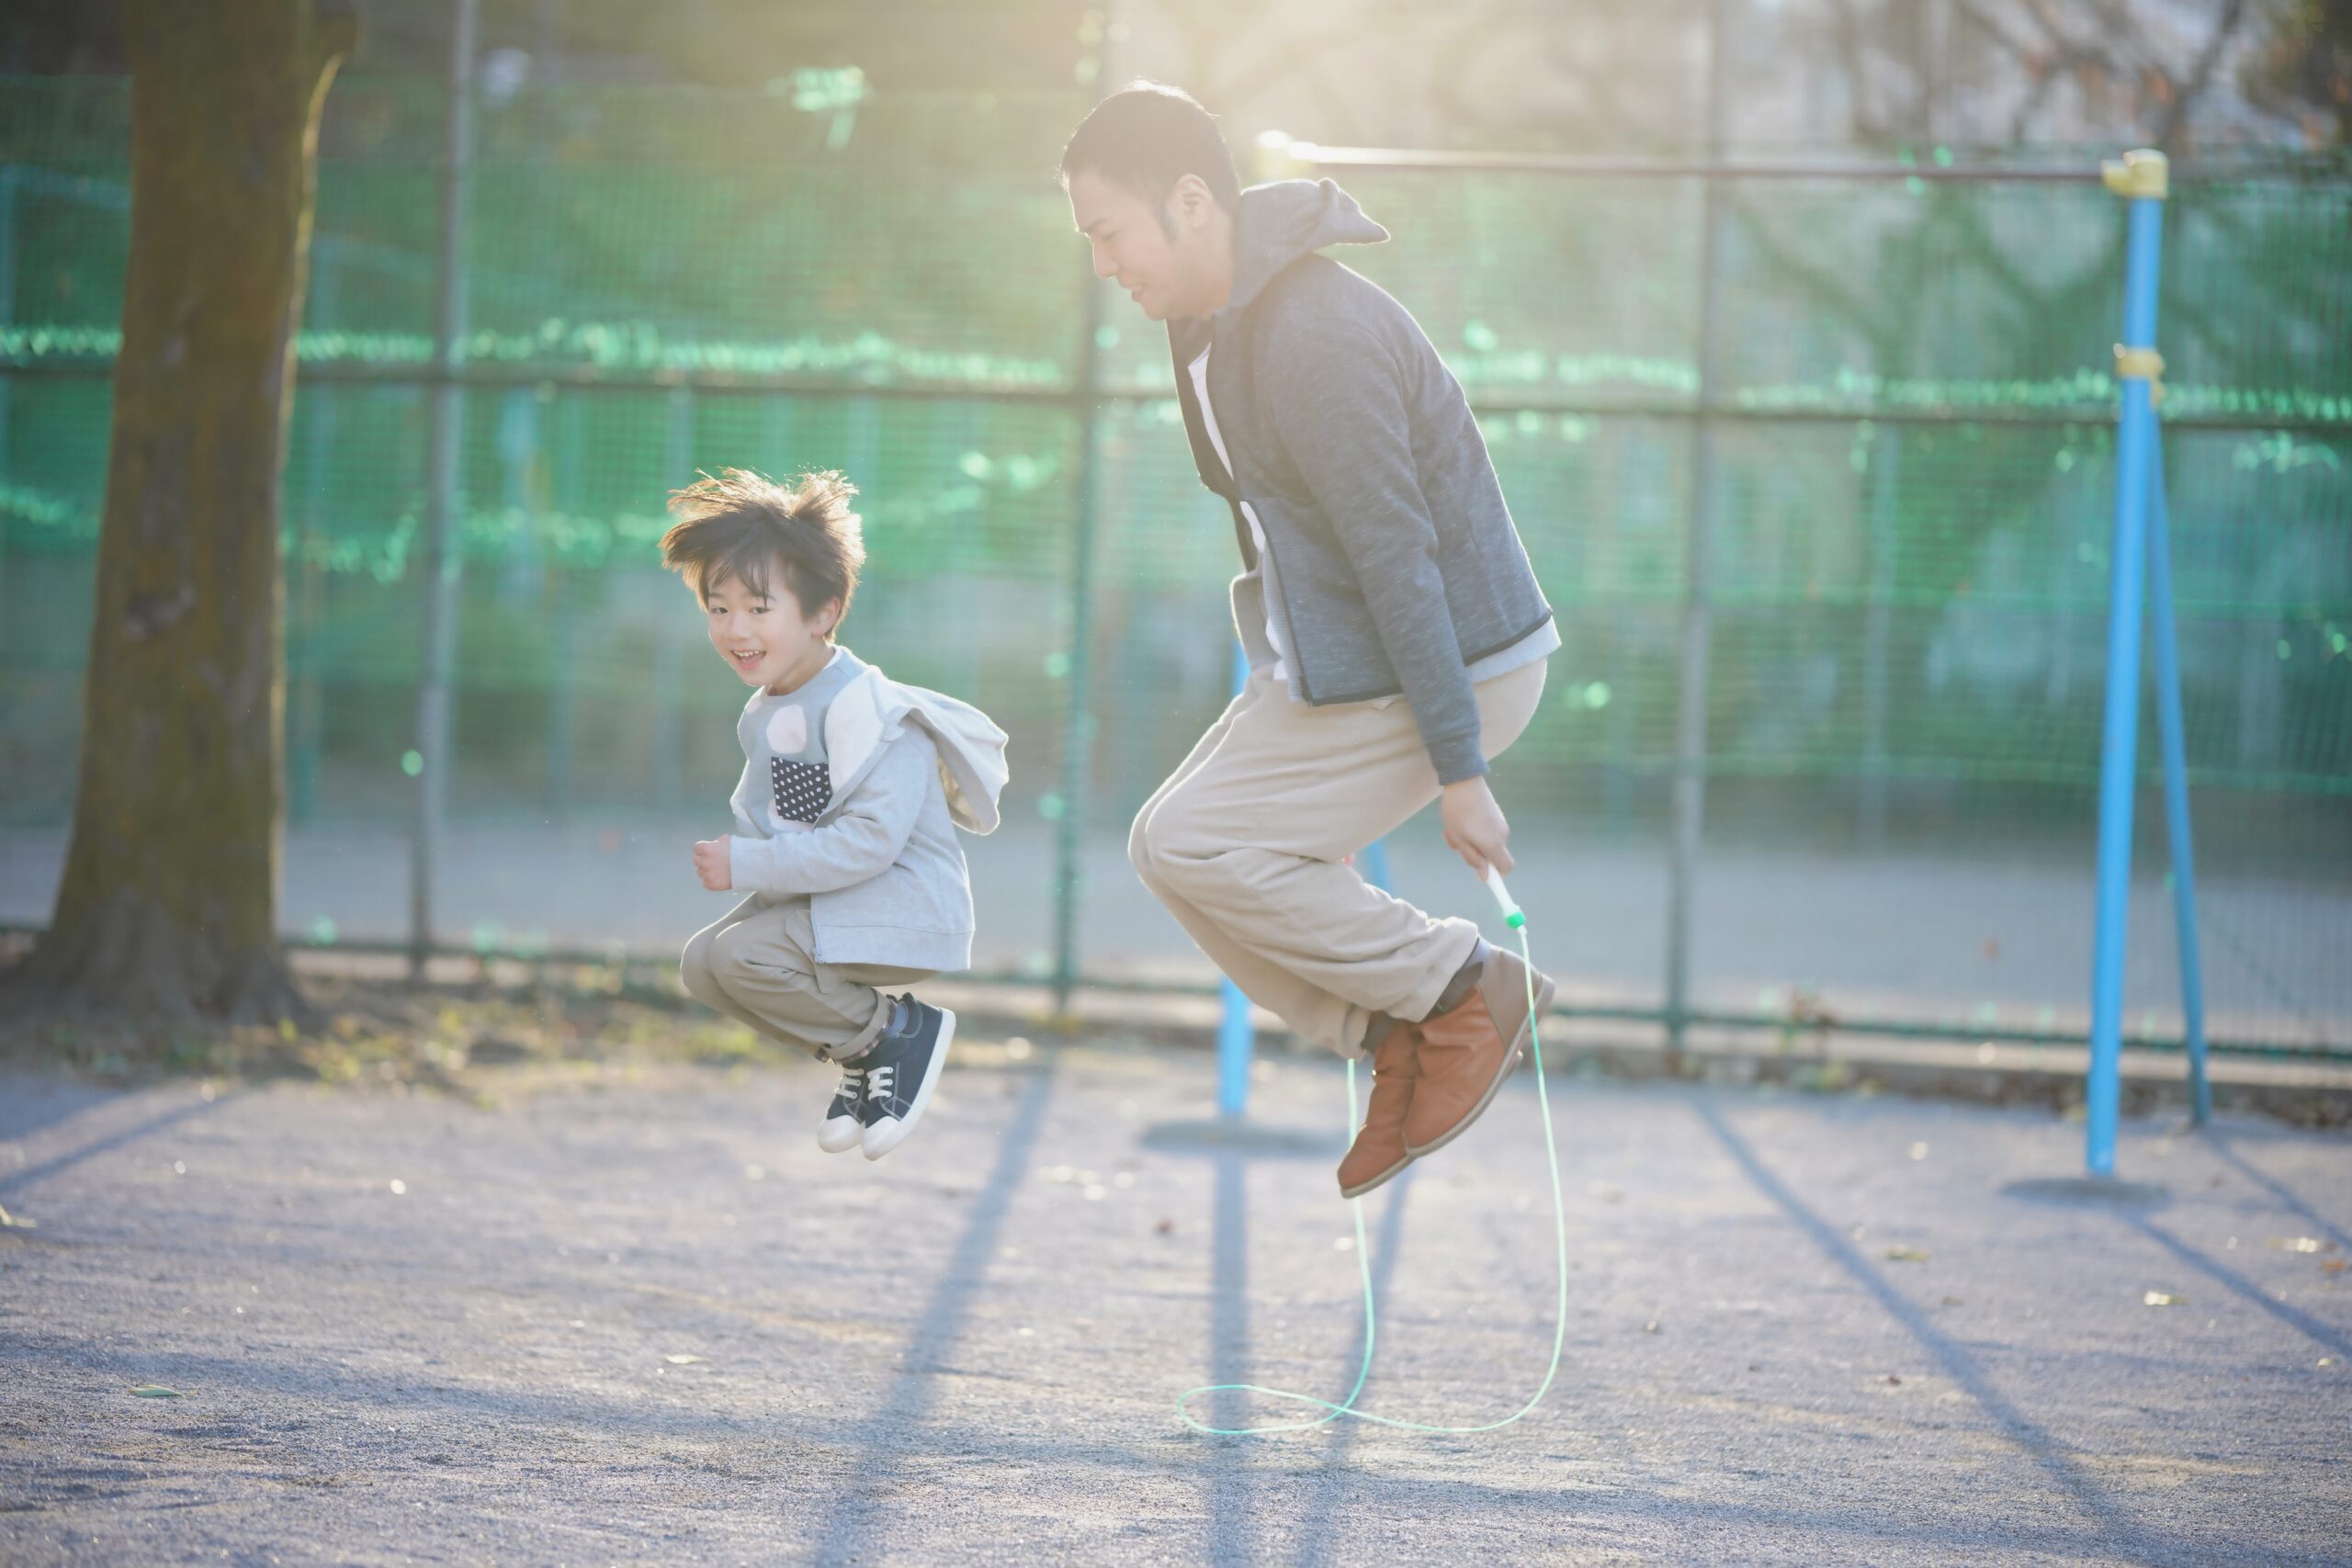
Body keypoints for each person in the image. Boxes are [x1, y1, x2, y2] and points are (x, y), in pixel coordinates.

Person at [1062, 84, 1560, 1199]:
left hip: (1453, 667)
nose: (1101, 263)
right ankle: (1392, 1037)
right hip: (1343, 665)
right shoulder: (1205, 323)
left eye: (1109, 233)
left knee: (1196, 844)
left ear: (1190, 201)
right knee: (1165, 843)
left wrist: (1460, 772)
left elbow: (1399, 559)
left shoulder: (1314, 334)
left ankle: (1461, 988)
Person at [662, 468, 1008, 1161]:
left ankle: (897, 1034)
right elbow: (799, 828)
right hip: (839, 902)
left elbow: (866, 844)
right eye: (719, 607)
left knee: (743, 954)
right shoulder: (774, 708)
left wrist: (747, 862)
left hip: (903, 906)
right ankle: (862, 1052)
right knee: (703, 963)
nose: (735, 629)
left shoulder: (873, 714)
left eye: (759, 608)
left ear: (822, 613)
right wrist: (757, 864)